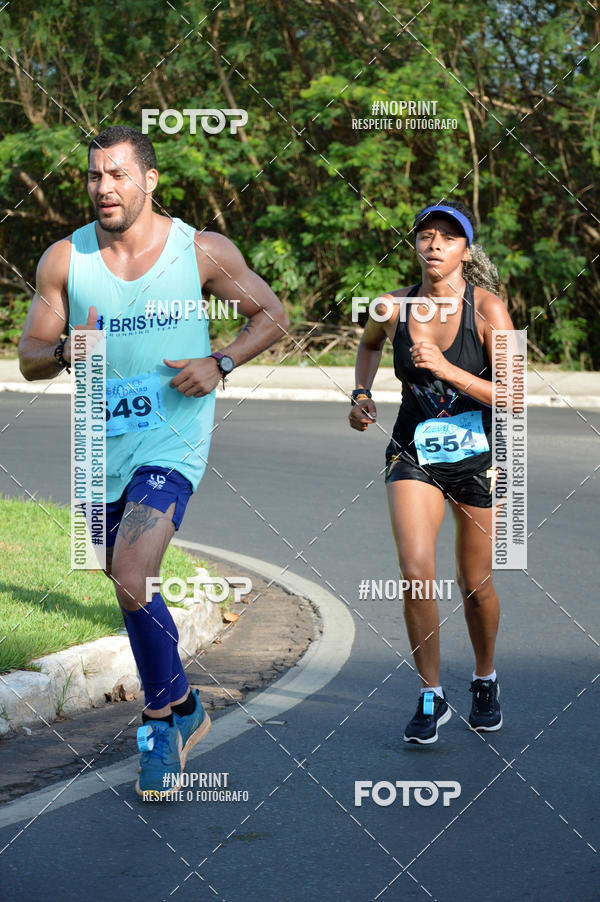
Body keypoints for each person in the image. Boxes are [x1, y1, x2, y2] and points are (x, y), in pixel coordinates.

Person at [18, 125, 289, 793]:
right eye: (93, 176)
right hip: (96, 439)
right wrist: (61, 355)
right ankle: (187, 704)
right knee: (125, 583)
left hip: (172, 438)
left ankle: (158, 722)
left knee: (135, 565)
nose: (103, 188)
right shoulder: (65, 259)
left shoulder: (198, 250)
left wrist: (220, 361)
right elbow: (28, 355)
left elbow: (273, 316)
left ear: (150, 180)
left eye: (116, 174)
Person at [349, 200, 515, 744]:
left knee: (475, 584)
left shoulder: (489, 310)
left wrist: (446, 369)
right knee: (417, 570)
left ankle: (484, 679)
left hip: (482, 456)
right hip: (412, 452)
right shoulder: (391, 307)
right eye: (426, 234)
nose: (435, 243)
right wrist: (361, 393)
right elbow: (369, 347)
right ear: (416, 244)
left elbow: (513, 397)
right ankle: (431, 695)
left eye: (449, 236)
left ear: (467, 251)